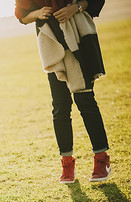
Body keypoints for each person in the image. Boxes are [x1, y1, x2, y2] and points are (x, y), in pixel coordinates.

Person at [14, 0, 111, 183]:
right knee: (60, 107)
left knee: (85, 102)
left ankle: (101, 159)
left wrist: (75, 8)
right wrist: (37, 14)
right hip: (51, 44)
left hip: (79, 41)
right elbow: (22, 16)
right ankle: (67, 164)